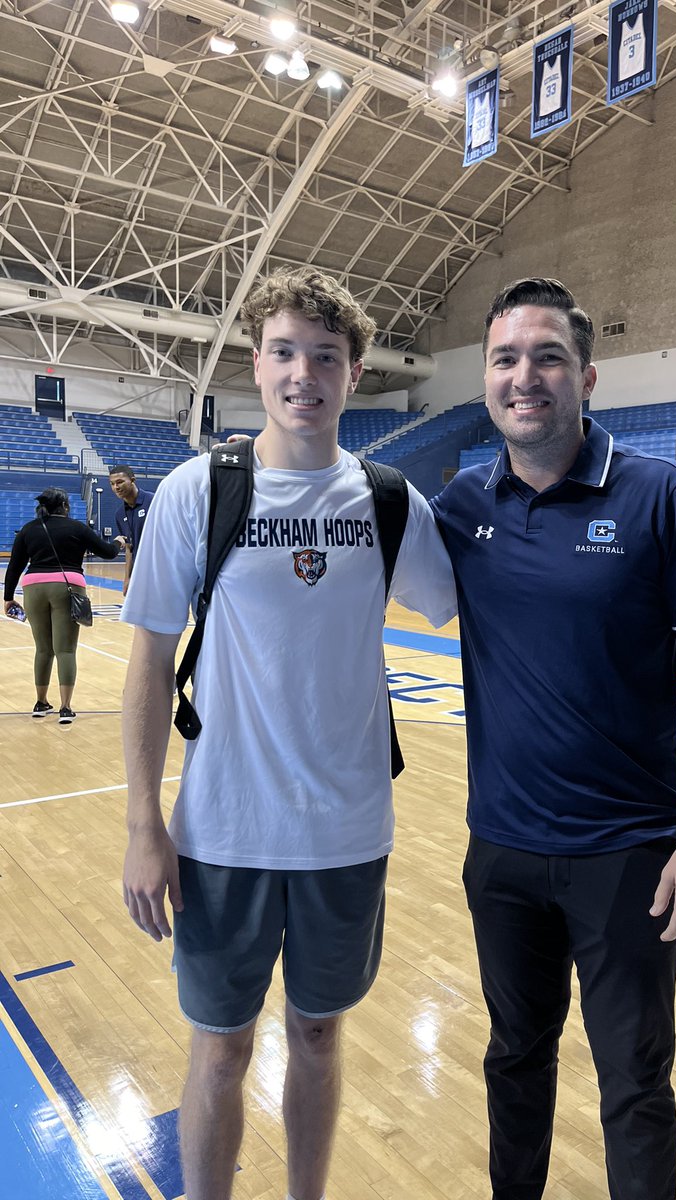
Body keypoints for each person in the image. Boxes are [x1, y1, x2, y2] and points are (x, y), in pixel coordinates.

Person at [120, 266, 456, 1200]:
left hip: (347, 833)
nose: (304, 374)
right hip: (222, 833)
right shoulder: (198, 490)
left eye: (326, 357)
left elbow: (474, 606)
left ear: (354, 374)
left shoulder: (390, 502)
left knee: (316, 1033)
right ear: (256, 364)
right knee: (221, 1046)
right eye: (284, 353)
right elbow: (149, 664)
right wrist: (145, 824)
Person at [431, 278, 676, 1200]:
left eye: (548, 357)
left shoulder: (662, 495)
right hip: (501, 851)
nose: (524, 376)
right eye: (505, 359)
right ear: (486, 378)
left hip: (628, 855)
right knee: (513, 1059)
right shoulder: (461, 503)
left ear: (587, 376)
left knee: (635, 1085)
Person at [3, 487, 119, 723]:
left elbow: (14, 566)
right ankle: (65, 708)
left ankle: (40, 703)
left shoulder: (28, 529)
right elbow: (108, 552)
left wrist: (8, 598)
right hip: (68, 586)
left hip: (33, 587)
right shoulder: (76, 528)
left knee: (43, 649)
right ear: (65, 506)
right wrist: (118, 542)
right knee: (65, 649)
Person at [108, 463, 154, 597]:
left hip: (160, 569)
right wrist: (127, 578)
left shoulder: (153, 501)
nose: (116, 487)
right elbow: (129, 547)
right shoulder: (119, 514)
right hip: (139, 573)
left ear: (132, 480)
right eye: (112, 484)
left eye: (120, 482)